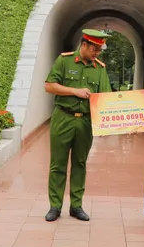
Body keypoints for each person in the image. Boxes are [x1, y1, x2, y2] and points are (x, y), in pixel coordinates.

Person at [44, 29, 111, 222]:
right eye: (95, 49)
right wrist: (75, 91)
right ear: (83, 45)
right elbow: (49, 86)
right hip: (63, 118)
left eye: (99, 50)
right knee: (58, 164)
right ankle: (55, 206)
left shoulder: (100, 69)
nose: (97, 53)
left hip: (85, 121)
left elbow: (104, 99)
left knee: (80, 163)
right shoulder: (64, 61)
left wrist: (106, 124)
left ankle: (76, 206)